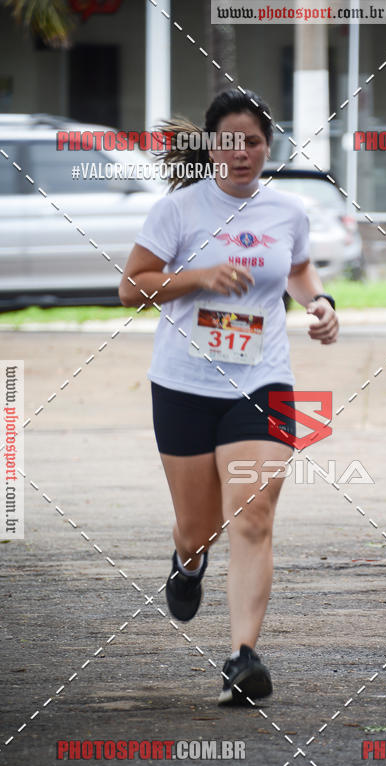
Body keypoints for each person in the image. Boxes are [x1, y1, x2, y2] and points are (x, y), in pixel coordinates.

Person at [119, 89, 339, 703]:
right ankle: (187, 560)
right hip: (184, 385)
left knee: (254, 514)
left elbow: (297, 269)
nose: (241, 153)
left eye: (253, 141)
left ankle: (243, 657)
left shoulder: (288, 211)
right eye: (229, 141)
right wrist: (198, 277)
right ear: (211, 146)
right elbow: (131, 288)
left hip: (265, 382)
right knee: (200, 527)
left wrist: (319, 304)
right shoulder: (181, 211)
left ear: (269, 145)